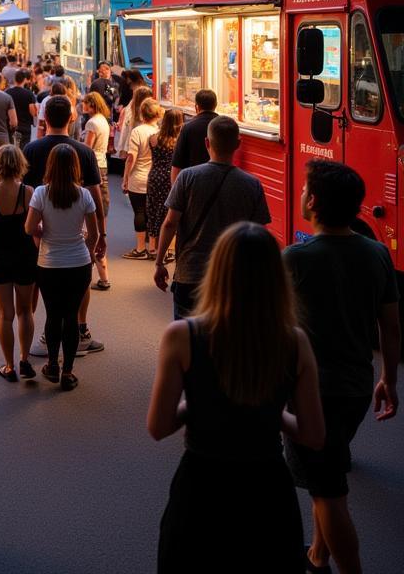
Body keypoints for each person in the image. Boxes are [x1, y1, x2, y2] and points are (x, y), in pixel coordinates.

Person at [147, 222, 325, 574]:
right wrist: (269, 413)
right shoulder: (293, 341)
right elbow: (313, 435)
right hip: (266, 488)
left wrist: (197, 405)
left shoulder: (182, 335)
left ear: (218, 271)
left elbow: (158, 426)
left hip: (202, 485)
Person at [283, 161, 400, 574]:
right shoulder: (377, 253)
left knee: (327, 491)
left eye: (303, 190)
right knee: (327, 474)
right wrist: (389, 379)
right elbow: (390, 325)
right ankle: (318, 555)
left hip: (307, 391)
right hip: (355, 387)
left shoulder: (294, 258)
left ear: (312, 202)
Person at [155, 116, 271, 318]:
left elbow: (170, 223)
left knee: (189, 339)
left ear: (207, 143)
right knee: (229, 341)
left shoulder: (187, 177)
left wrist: (159, 263)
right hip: (234, 277)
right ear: (238, 144)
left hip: (191, 273)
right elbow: (260, 234)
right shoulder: (252, 184)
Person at [23, 96, 107, 357]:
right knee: (79, 286)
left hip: (40, 232)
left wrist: (32, 230)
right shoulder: (83, 151)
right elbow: (95, 194)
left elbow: (23, 193)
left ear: (44, 118)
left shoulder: (31, 150)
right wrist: (101, 233)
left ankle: (47, 336)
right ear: (72, 119)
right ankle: (81, 331)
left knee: (41, 285)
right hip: (76, 235)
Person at [24, 144, 99, 391]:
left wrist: (45, 233)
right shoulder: (84, 195)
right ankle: (68, 372)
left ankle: (52, 365)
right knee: (72, 316)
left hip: (50, 263)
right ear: (75, 167)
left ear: (51, 166)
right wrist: (85, 251)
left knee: (53, 315)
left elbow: (28, 228)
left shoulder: (41, 194)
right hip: (78, 263)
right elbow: (94, 234)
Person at [0, 144, 36, 382]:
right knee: (25, 312)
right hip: (25, 256)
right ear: (20, 164)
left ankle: (9, 366)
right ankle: (24, 360)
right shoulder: (28, 192)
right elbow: (32, 227)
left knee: (5, 314)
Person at [122, 98, 163, 259]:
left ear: (142, 113)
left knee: (139, 212)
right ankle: (152, 247)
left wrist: (125, 177)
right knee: (152, 213)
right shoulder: (159, 132)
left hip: (138, 177)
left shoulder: (137, 132)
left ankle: (140, 249)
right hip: (154, 178)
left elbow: (131, 157)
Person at [81, 91, 112, 290]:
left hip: (93, 167)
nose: (83, 106)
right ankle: (103, 276)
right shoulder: (104, 120)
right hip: (103, 164)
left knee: (89, 221)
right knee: (100, 217)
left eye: (85, 104)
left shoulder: (92, 123)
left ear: (92, 105)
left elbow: (87, 148)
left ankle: (98, 274)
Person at [147, 108, 183, 264]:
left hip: (154, 175)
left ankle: (152, 246)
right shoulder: (178, 142)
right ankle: (170, 248)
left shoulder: (153, 138)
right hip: (170, 177)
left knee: (153, 209)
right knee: (169, 211)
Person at [170, 89, 218, 182]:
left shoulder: (188, 128)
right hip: (218, 181)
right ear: (215, 105)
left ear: (197, 107)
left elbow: (177, 163)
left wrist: (175, 190)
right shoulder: (222, 125)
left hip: (193, 181)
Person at [5, 69, 38, 148]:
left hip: (10, 126)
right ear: (24, 80)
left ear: (14, 79)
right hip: (25, 126)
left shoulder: (7, 92)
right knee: (23, 150)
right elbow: (32, 112)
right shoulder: (29, 94)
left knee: (11, 149)